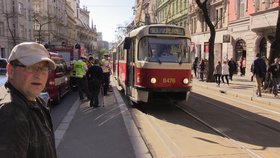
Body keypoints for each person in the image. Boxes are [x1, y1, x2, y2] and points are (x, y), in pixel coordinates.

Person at [0, 42, 57, 157]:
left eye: (44, 68)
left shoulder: (34, 100)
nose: (39, 75)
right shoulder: (12, 112)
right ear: (11, 70)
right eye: (31, 67)